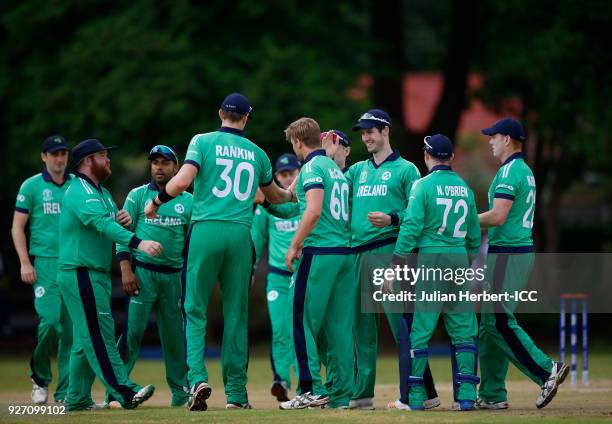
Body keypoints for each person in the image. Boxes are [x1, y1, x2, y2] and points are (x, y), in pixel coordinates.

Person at [144, 93, 293, 411]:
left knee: (194, 309)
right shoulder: (257, 153)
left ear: (220, 113)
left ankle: (197, 379)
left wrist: (156, 201)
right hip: (240, 235)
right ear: (246, 119)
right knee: (236, 316)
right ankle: (237, 395)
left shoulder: (202, 141)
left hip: (206, 230)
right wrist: (297, 189)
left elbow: (182, 181)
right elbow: (278, 198)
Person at [343, 109, 439, 410]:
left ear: (385, 131)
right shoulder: (357, 170)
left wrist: (392, 217)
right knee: (362, 330)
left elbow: (419, 212)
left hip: (390, 253)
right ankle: (361, 395)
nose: (366, 137)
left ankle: (420, 394)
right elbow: (332, 192)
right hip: (358, 254)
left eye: (371, 130)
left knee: (404, 328)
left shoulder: (407, 170)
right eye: (362, 132)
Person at [57, 139, 160, 411]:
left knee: (84, 339)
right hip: (80, 272)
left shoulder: (99, 192)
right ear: (87, 161)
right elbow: (101, 223)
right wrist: (139, 243)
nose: (108, 160)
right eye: (103, 156)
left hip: (94, 274)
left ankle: (77, 399)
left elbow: (109, 221)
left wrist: (121, 218)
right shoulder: (80, 190)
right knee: (99, 334)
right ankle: (125, 390)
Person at [477, 118, 568, 409]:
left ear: (507, 139)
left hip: (508, 253)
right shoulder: (523, 170)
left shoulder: (509, 172)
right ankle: (492, 395)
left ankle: (546, 370)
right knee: (489, 325)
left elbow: (498, 216)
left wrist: (461, 221)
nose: (490, 141)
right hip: (512, 252)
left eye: (493, 136)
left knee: (498, 320)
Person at [392, 134, 481, 411]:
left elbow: (410, 227)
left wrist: (396, 265)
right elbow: (475, 237)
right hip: (458, 258)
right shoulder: (465, 188)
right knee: (464, 329)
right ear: (451, 158)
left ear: (426, 156)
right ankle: (466, 396)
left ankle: (417, 397)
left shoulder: (422, 186)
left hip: (431, 258)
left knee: (421, 328)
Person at [278, 117, 355, 410]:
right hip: (343, 254)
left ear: (298, 142)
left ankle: (310, 389)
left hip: (320, 252)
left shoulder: (311, 167)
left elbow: (312, 210)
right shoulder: (334, 169)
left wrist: (294, 244)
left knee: (298, 320)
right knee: (337, 328)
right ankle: (341, 395)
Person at [110, 145, 192, 407]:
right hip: (143, 274)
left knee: (174, 338)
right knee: (132, 334)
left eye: (164, 163)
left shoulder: (188, 201)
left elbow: (192, 244)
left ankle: (180, 395)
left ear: (176, 168)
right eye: (155, 162)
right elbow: (123, 237)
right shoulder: (137, 196)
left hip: (173, 278)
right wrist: (126, 270)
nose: (158, 167)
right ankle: (117, 391)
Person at [11, 136, 73, 404]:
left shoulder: (75, 185)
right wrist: (25, 262)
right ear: (43, 157)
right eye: (54, 154)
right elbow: (17, 227)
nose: (59, 159)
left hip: (73, 263)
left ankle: (65, 393)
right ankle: (39, 379)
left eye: (63, 154)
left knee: (72, 331)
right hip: (45, 263)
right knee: (49, 323)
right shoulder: (32, 186)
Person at [251, 153, 301, 402]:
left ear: (299, 172)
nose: (288, 177)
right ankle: (281, 381)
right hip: (278, 278)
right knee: (281, 330)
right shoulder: (268, 209)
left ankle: (308, 383)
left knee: (302, 330)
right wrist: (248, 270)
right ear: (277, 178)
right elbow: (256, 241)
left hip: (304, 276)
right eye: (283, 174)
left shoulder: (308, 199)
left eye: (292, 172)